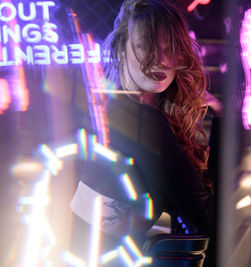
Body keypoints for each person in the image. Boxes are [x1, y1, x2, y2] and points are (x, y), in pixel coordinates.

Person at [69, 0, 221, 263]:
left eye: (169, 48)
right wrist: (221, 114)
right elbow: (207, 216)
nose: (160, 59)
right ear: (121, 49)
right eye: (144, 46)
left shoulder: (119, 109)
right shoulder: (140, 120)